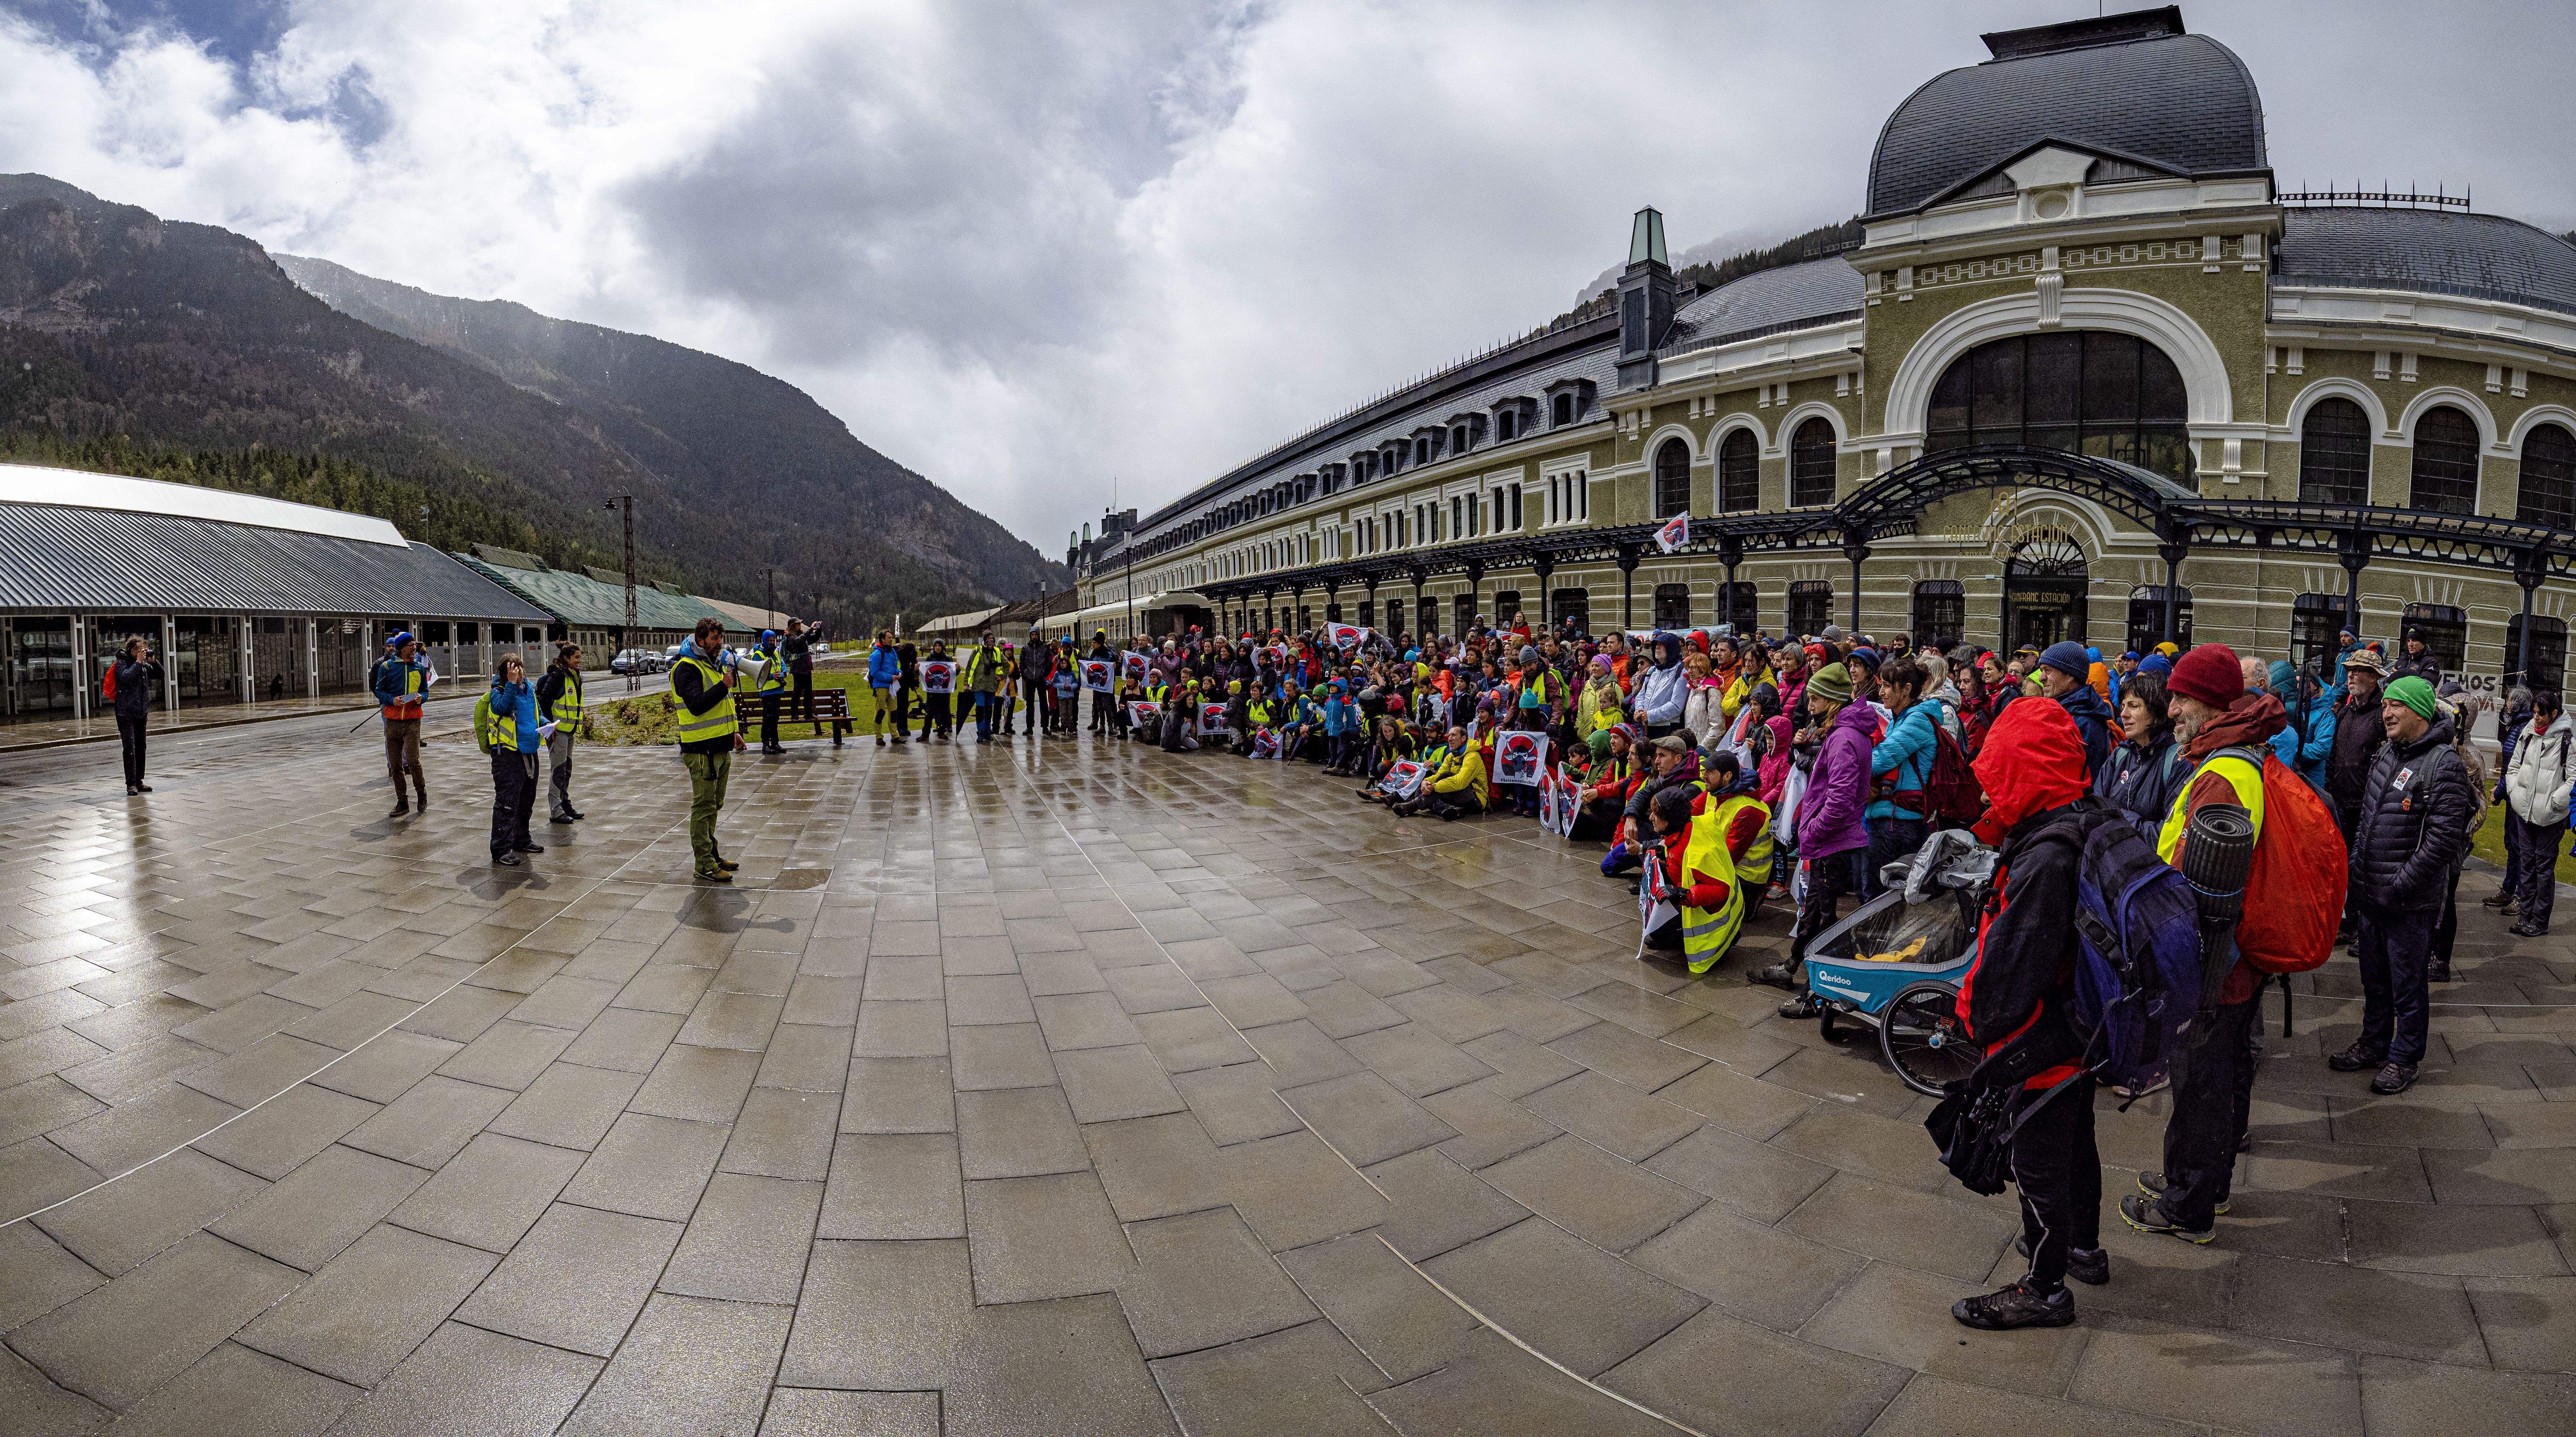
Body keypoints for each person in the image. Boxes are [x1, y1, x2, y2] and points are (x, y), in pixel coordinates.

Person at [1947, 697, 2106, 1330]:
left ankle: (2044, 1286)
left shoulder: (2046, 856)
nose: (1990, 783)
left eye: (1998, 770)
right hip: (2081, 1027)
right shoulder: (2083, 817)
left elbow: (2014, 968)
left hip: (2041, 1038)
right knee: (2076, 1145)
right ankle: (2082, 1247)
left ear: (2023, 769)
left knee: (2036, 1162)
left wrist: (1977, 1024)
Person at [2122, 643, 2283, 1242]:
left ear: (2212, 701)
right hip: (2237, 958)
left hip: (2214, 962)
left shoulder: (2221, 773)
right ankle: (2202, 1183)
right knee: (2225, 1075)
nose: (2175, 707)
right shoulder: (2240, 757)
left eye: (2184, 696)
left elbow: (2199, 886)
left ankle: (2186, 1206)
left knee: (2199, 1082)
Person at [2333, 674, 2475, 1095]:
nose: (2387, 712)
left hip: (2408, 904)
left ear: (2419, 711)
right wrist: (2359, 876)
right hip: (2373, 896)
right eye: (2385, 706)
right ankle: (2375, 1044)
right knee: (2374, 979)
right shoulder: (2387, 753)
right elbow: (2367, 826)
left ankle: (2405, 1057)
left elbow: (2441, 843)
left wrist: (2398, 886)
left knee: (2408, 985)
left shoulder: (2443, 764)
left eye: (2397, 706)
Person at [1758, 662, 1872, 1017]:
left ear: (1833, 701)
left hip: (1832, 841)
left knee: (1826, 919)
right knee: (1812, 911)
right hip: (1828, 840)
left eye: (1815, 698)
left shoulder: (1843, 738)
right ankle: (1792, 967)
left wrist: (1812, 831)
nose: (1809, 704)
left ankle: (1817, 992)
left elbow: (1839, 800)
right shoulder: (1840, 733)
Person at [672, 618, 747, 883]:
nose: (719, 644)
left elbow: (723, 706)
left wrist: (734, 732)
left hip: (719, 746)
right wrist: (723, 685)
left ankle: (712, 854)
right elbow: (696, 705)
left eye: (720, 638)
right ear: (701, 640)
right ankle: (703, 864)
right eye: (714, 639)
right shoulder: (686, 668)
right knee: (703, 806)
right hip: (701, 750)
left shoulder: (709, 665)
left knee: (714, 805)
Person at [1864, 654, 1938, 892]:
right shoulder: (1902, 717)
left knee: (1884, 896)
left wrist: (1846, 763)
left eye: (1887, 685)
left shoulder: (1917, 720)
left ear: (1906, 690)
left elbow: (1881, 759)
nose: (1881, 691)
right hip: (1893, 818)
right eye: (1881, 685)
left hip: (1900, 823)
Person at [2502, 689, 2572, 937]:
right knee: (2526, 864)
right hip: (2525, 812)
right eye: (2533, 712)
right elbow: (2513, 765)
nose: (2535, 718)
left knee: (2543, 869)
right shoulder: (2528, 732)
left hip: (2550, 817)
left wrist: (2556, 801)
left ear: (2554, 713)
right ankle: (2525, 917)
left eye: (2540, 714)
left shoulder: (2567, 739)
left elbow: (2573, 778)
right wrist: (2513, 790)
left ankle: (2539, 921)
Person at [2091, 671, 2184, 843]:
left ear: (2157, 714)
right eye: (2124, 706)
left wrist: (2119, 819)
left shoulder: (2177, 760)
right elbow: (2096, 811)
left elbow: (2169, 836)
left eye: (2134, 706)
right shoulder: (2121, 754)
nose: (2124, 714)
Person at [481, 654, 543, 867]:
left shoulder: (529, 689)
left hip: (530, 750)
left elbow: (537, 712)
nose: (518, 673)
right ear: (504, 672)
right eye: (513, 670)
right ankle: (500, 849)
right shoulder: (498, 691)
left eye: (519, 669)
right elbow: (502, 708)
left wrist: (546, 724)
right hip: (507, 754)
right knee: (507, 802)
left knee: (527, 798)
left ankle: (522, 839)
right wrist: (510, 684)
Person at [2034, 641, 2114, 779]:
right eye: (2042, 671)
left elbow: (2084, 782)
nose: (2041, 678)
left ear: (2071, 675)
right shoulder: (2061, 710)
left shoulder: (2086, 722)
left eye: (2048, 671)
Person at [372, 631, 432, 816]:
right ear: (400, 649)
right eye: (410, 646)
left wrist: (423, 698)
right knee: (396, 765)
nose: (415, 649)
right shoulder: (387, 668)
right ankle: (402, 802)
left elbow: (425, 692)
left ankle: (421, 794)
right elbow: (379, 691)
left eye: (415, 646)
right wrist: (392, 700)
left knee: (413, 760)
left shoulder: (420, 668)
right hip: (393, 721)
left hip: (413, 720)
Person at [536, 643, 588, 823]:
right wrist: (550, 727)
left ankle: (565, 805)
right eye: (576, 657)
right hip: (558, 733)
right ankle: (556, 811)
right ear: (566, 659)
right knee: (558, 771)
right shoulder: (558, 676)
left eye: (580, 657)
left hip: (570, 730)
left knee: (566, 770)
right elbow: (543, 701)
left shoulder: (575, 676)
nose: (580, 660)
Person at [1395, 724, 1487, 820]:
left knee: (1446, 776)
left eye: (1454, 735)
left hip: (1476, 799)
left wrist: (1434, 787)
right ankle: (1455, 811)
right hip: (1458, 796)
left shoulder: (1473, 757)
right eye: (1449, 735)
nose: (1450, 739)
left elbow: (1460, 782)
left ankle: (1413, 805)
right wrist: (1426, 782)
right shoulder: (1451, 756)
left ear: (1464, 738)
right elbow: (1438, 775)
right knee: (1420, 792)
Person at [109, 636, 161, 796]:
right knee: (130, 748)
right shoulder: (122, 663)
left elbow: (161, 674)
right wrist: (139, 663)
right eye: (140, 651)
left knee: (141, 747)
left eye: (144, 651)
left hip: (140, 712)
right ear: (132, 651)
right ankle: (131, 784)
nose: (143, 653)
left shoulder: (144, 665)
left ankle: (139, 781)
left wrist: (154, 661)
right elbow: (125, 678)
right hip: (125, 713)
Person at [1634, 632, 1689, 741]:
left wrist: (1650, 715)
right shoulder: (1653, 670)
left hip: (1668, 728)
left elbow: (1676, 706)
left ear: (1671, 648)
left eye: (1662, 645)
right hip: (1647, 726)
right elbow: (1641, 695)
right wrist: (1640, 710)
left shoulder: (1681, 672)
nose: (1657, 648)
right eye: (1656, 645)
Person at [963, 629, 1008, 743]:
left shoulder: (997, 652)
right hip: (979, 686)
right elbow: (969, 667)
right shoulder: (977, 651)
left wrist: (1002, 676)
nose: (991, 641)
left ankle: (988, 732)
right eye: (989, 639)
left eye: (993, 639)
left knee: (989, 709)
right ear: (985, 640)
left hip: (992, 686)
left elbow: (1007, 665)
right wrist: (966, 683)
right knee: (980, 709)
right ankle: (981, 733)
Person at [752, 628, 790, 754]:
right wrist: (771, 676)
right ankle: (765, 744)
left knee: (775, 718)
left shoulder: (775, 652)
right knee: (768, 718)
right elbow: (757, 672)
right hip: (768, 691)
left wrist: (785, 672)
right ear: (765, 640)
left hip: (778, 689)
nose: (772, 643)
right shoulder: (759, 654)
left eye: (773, 641)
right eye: (770, 641)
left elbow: (782, 663)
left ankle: (775, 743)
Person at [868, 630, 903, 746]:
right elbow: (874, 672)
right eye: (889, 638)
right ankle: (879, 736)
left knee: (894, 712)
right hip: (881, 687)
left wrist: (899, 673)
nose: (891, 640)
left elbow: (895, 667)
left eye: (892, 637)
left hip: (892, 686)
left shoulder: (892, 651)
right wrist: (889, 677)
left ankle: (895, 735)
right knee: (881, 712)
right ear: (883, 639)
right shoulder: (877, 654)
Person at [918, 639, 955, 742]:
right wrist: (919, 668)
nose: (938, 648)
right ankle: (925, 734)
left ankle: (942, 732)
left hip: (945, 691)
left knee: (944, 711)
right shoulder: (929, 659)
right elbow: (925, 672)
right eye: (936, 646)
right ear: (934, 647)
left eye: (940, 646)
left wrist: (956, 668)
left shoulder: (948, 659)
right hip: (932, 691)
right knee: (929, 712)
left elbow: (953, 674)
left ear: (942, 647)